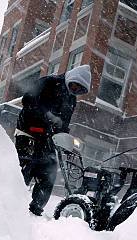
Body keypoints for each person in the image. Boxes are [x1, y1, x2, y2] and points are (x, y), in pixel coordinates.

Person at [14, 64, 91, 216]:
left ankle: (35, 210)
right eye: (75, 86)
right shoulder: (49, 82)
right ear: (71, 78)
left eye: (80, 90)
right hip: (28, 133)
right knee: (25, 168)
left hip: (48, 140)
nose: (75, 91)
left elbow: (64, 124)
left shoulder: (71, 100)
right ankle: (10, 202)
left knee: (48, 173)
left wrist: (65, 138)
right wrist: (47, 116)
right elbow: (28, 99)